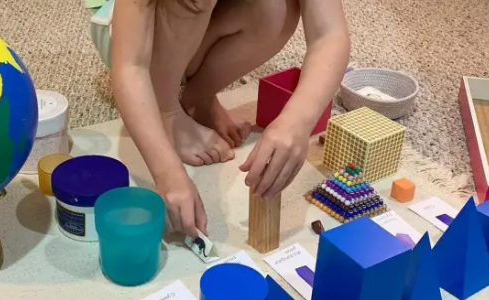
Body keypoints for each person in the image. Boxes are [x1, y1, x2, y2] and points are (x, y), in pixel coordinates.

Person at [89, 0, 350, 237]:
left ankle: (199, 97)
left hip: (197, 34)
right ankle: (166, 110)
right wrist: (167, 172)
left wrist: (297, 120)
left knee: (278, 9)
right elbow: (131, 66)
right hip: (129, 37)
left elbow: (329, 35)